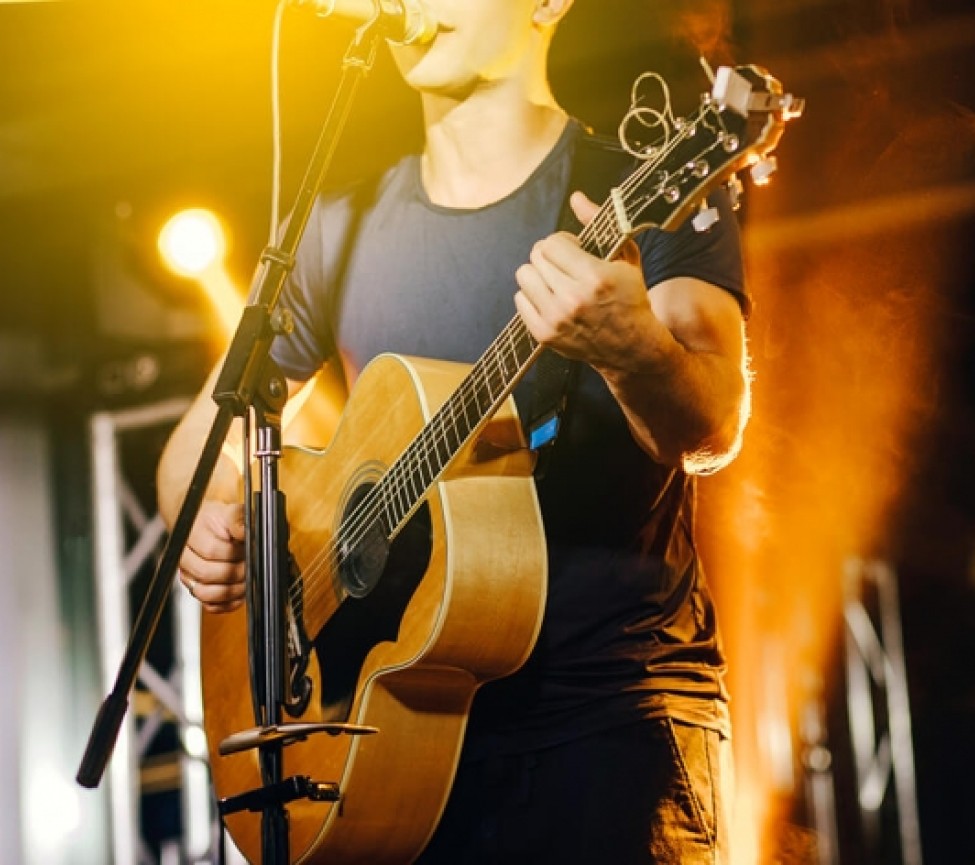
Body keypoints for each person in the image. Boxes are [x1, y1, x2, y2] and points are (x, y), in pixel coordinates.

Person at [157, 0, 749, 861]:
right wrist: (211, 532)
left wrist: (634, 353)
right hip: (391, 745)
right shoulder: (337, 226)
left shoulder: (637, 182)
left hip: (608, 721)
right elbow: (192, 459)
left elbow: (708, 425)